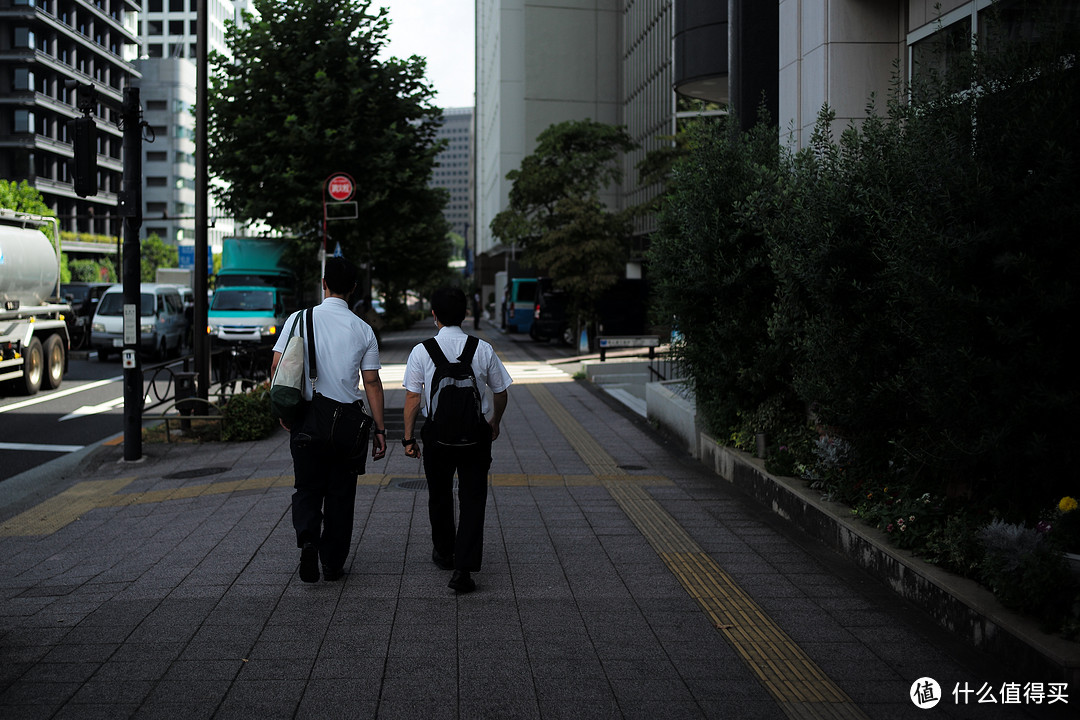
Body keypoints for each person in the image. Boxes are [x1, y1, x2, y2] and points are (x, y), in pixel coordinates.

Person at [270, 257, 386, 583]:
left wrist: (285, 411)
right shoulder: (363, 329)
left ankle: (308, 539)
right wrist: (379, 429)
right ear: (353, 289)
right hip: (348, 424)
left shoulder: (298, 319)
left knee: (307, 487)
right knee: (340, 494)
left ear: (324, 283)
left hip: (307, 417)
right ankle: (333, 563)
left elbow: (278, 366)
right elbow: (372, 382)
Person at [402, 287, 512, 593]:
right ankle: (464, 568)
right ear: (464, 314)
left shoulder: (422, 351)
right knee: (473, 498)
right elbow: (501, 391)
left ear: (434, 315)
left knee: (439, 494)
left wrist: (408, 438)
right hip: (475, 435)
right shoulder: (482, 348)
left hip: (437, 436)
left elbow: (412, 398)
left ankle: (444, 552)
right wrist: (494, 422)